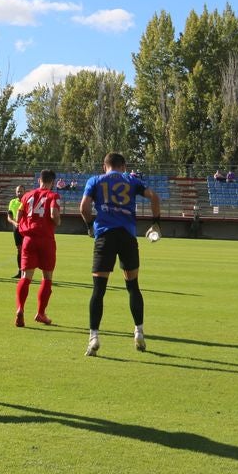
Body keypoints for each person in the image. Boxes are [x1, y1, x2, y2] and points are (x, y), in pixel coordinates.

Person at [78, 152, 162, 356]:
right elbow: (154, 196)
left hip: (105, 237)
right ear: (123, 166)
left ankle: (94, 338)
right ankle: (139, 332)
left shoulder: (95, 180)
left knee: (98, 290)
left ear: (104, 166)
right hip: (127, 237)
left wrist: (90, 226)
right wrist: (156, 222)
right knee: (133, 287)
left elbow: (84, 207)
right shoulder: (131, 180)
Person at [14, 170, 62, 327]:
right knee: (47, 277)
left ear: (39, 180)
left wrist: (24, 225)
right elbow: (54, 215)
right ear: (52, 182)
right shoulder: (53, 196)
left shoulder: (27, 196)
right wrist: (57, 221)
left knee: (25, 276)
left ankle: (20, 308)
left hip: (28, 239)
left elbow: (18, 217)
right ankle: (41, 313)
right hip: (45, 239)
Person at [6, 185, 24, 279]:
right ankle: (20, 271)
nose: (20, 193)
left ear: (24, 192)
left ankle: (26, 272)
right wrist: (14, 222)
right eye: (18, 191)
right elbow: (9, 217)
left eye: (21, 191)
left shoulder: (26, 201)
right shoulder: (12, 202)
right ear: (16, 192)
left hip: (25, 228)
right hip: (16, 228)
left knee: (26, 250)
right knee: (19, 249)